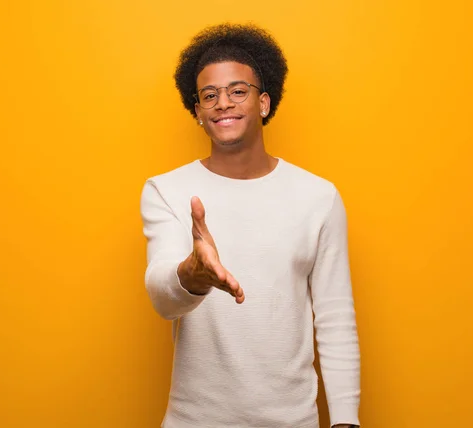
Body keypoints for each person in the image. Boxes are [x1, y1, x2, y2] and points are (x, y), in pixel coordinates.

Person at [140, 23, 361, 428]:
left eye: (237, 90)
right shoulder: (167, 191)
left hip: (293, 421)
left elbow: (334, 317)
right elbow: (162, 298)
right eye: (210, 95)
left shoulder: (319, 197)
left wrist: (346, 419)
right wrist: (194, 274)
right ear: (198, 113)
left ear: (263, 102)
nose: (223, 102)